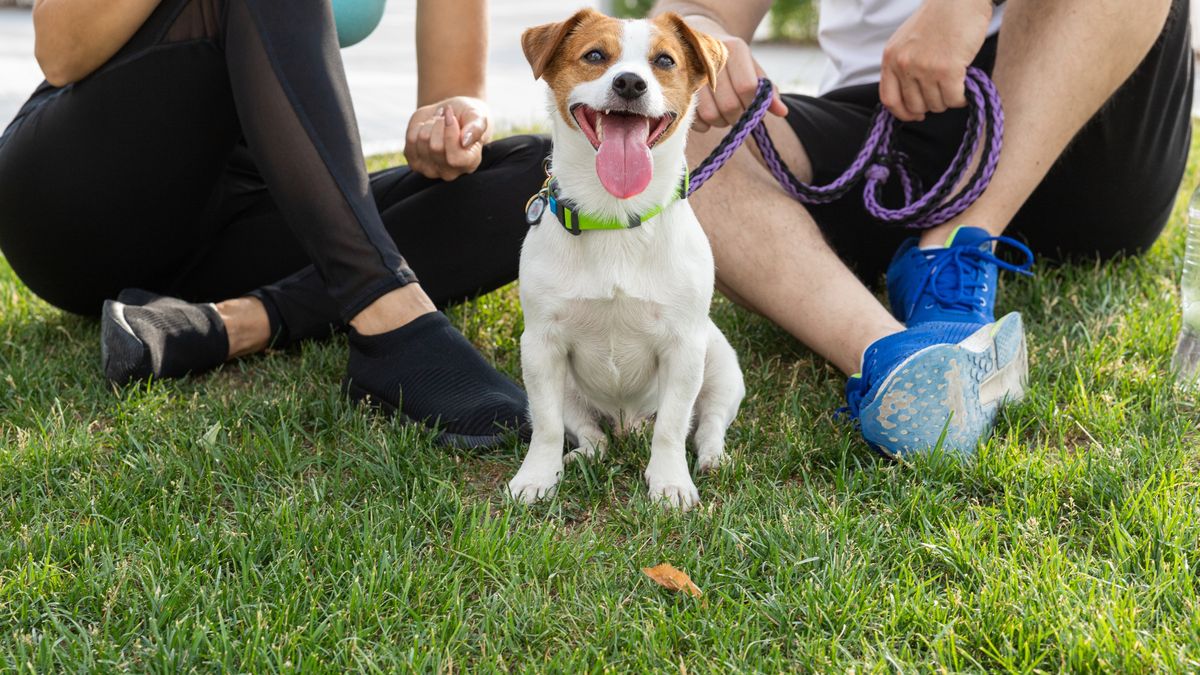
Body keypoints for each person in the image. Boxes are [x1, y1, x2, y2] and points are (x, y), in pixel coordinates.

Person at [0, 0, 552, 447]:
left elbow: (454, 92)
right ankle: (387, 315)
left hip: (243, 211)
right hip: (83, 194)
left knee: (543, 177)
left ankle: (232, 324)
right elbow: (59, 51)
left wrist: (451, 123)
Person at [653, 0, 1191, 456]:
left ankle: (956, 245)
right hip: (878, 125)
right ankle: (898, 358)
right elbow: (692, 13)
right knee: (675, 121)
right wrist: (704, 38)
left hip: (1080, 91)